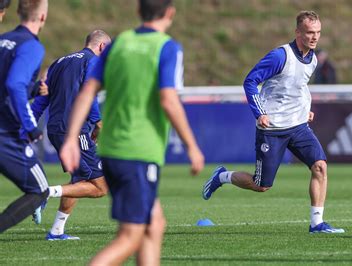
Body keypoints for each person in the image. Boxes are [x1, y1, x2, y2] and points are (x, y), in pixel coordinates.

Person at [60, 0, 204, 264]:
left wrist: (70, 138)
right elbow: (168, 99)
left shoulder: (119, 43)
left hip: (113, 149)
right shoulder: (167, 47)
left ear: (138, 11)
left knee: (154, 224)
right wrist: (192, 146)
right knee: (130, 236)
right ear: (171, 13)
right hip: (138, 151)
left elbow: (88, 91)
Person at [202, 11, 345, 234]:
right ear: (298, 32)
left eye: (318, 32)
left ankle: (317, 224)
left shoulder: (313, 58)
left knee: (320, 166)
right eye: (309, 32)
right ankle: (222, 176)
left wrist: (306, 110)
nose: (315, 37)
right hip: (272, 129)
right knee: (262, 185)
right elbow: (250, 81)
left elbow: (300, 86)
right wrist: (259, 113)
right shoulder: (280, 56)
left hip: (298, 126)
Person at [30, 30, 111, 240]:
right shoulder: (93, 61)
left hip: (56, 128)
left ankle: (57, 230)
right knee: (100, 187)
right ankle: (44, 193)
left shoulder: (58, 63)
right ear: (102, 47)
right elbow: (89, 92)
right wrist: (98, 122)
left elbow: (41, 100)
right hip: (74, 129)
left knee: (78, 179)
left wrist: (26, 128)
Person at [0, 0, 49, 233]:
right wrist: (31, 126)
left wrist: (32, 89)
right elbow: (13, 84)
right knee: (40, 190)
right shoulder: (31, 46)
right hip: (4, 135)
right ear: (42, 18)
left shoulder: (3, 40)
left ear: (18, 12)